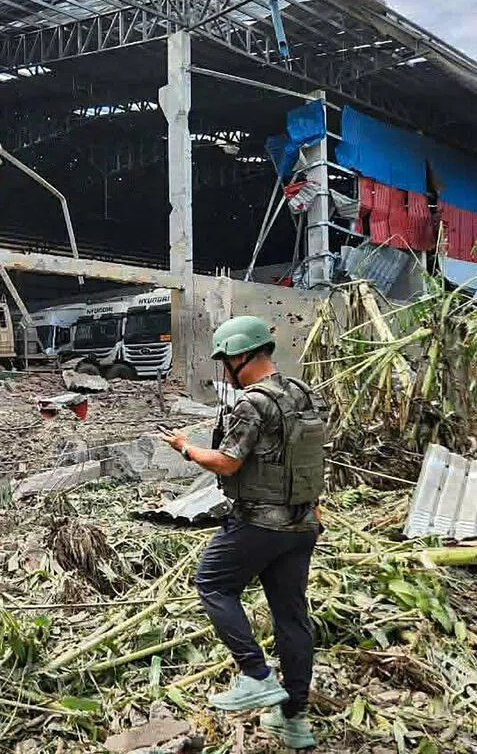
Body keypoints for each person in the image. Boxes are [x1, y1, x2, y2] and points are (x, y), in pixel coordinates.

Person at [161, 316, 325, 749]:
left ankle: (255, 674)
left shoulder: (253, 404)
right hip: (303, 523)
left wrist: (186, 447)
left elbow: (228, 462)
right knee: (291, 617)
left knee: (213, 583)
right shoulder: (304, 394)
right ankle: (294, 721)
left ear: (240, 356)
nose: (224, 367)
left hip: (258, 523)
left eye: (224, 359)